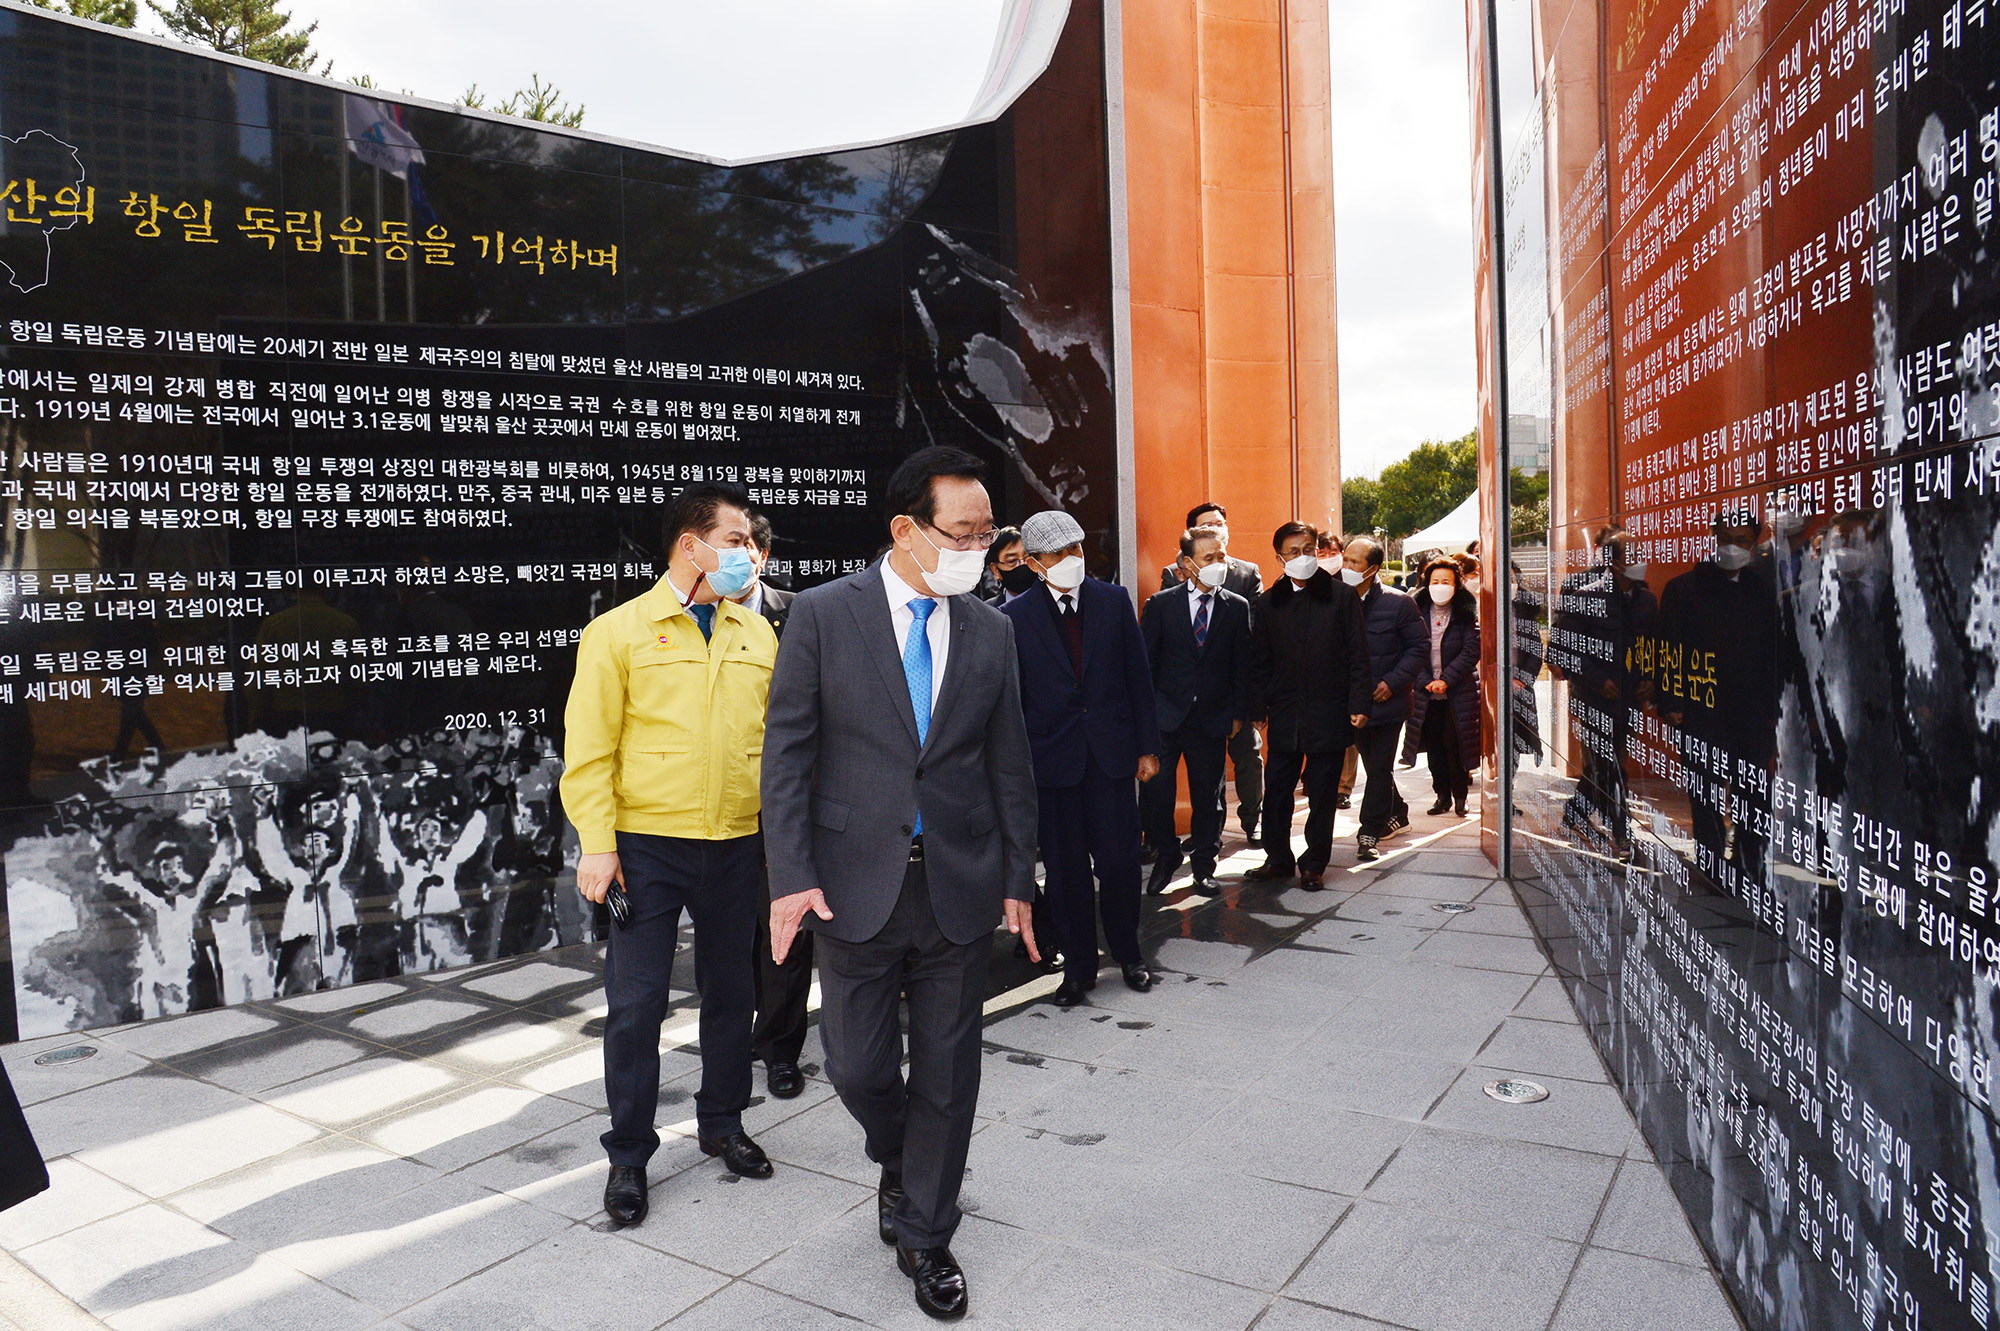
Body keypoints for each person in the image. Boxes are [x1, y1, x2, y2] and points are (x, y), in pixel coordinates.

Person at [762, 446, 1040, 1322]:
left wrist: (1019, 876)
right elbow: (789, 756)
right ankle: (904, 1154)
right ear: (905, 530)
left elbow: (1010, 764)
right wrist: (792, 877)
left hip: (956, 881)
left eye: (986, 533)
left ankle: (926, 1231)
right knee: (856, 1065)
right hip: (853, 887)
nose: (977, 547)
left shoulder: (992, 628)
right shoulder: (820, 614)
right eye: (960, 531)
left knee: (951, 1072)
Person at [561, 483, 781, 1231]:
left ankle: (723, 1119)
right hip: (649, 849)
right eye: (735, 538)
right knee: (637, 1004)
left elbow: (778, 745)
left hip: (735, 840)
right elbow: (588, 752)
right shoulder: (618, 632)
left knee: (732, 994)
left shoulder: (756, 634)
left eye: (750, 542)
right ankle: (628, 1152)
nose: (748, 553)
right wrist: (598, 845)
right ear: (691, 544)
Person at [1004, 509, 1161, 1007]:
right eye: (1058, 554)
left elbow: (1139, 678)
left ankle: (1129, 953)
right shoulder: (1013, 617)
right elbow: (1013, 699)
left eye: (1076, 549)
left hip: (1111, 757)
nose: (1072, 560)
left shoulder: (1113, 601)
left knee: (1118, 863)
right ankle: (1078, 968)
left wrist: (1147, 747)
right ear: (1033, 563)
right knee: (1067, 872)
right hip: (1052, 763)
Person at [1654, 509, 1779, 889]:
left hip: (1752, 712)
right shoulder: (1684, 588)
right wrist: (1671, 700)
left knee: (1754, 792)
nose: (1733, 547)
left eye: (1742, 541)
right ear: (1713, 538)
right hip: (1701, 708)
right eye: (1726, 539)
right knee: (1704, 791)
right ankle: (1711, 866)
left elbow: (1777, 653)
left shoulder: (1762, 589)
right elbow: (1667, 650)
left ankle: (1749, 864)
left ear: (1755, 542)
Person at [1245, 521, 1372, 888]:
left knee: (1322, 794)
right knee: (1279, 792)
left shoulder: (1341, 597)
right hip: (1285, 713)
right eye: (1293, 552)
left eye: (1308, 550)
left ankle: (1315, 863)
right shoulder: (1268, 602)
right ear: (1279, 557)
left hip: (1329, 712)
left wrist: (1359, 702)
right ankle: (1278, 858)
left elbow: (1358, 656)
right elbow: (1259, 661)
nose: (1302, 557)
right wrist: (1258, 708)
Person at [734, 514, 809, 1100]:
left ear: (762, 553)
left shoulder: (801, 613)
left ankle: (781, 1049)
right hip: (720, 804)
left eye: (745, 545)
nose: (737, 556)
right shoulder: (687, 616)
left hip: (789, 799)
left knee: (786, 929)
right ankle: (733, 1039)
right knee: (730, 933)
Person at [1140, 524, 1251, 897]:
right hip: (1166, 718)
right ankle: (1167, 855)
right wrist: (1146, 716)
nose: (1219, 564)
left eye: (1222, 556)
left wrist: (1238, 714)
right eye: (1210, 558)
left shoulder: (1236, 607)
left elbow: (1241, 665)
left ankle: (1205, 865)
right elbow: (1146, 666)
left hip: (1212, 719)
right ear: (1187, 564)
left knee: (1209, 797)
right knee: (1156, 794)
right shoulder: (1161, 605)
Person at [1156, 501, 1265, 845]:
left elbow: (1251, 635)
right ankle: (1201, 838)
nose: (1214, 529)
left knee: (1246, 755)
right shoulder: (1171, 579)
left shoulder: (1245, 575)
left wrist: (1243, 705)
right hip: (1180, 702)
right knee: (1197, 780)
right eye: (1206, 525)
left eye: (1219, 523)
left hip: (1227, 690)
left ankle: (1251, 819)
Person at [1551, 526, 1657, 858]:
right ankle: (1623, 834)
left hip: (1628, 700)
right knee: (1610, 767)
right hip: (1594, 698)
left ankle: (1574, 814)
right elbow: (1560, 649)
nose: (1641, 562)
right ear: (1614, 563)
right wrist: (1596, 678)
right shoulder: (1587, 597)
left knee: (1605, 765)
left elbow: (1654, 646)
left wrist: (1650, 678)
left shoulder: (1646, 600)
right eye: (1633, 556)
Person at [1341, 536, 1426, 862]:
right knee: (1373, 763)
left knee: (1378, 767)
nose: (1346, 567)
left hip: (1389, 703)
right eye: (1345, 560)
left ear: (1373, 569)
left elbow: (1418, 647)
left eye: (1354, 563)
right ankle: (1399, 811)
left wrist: (1392, 682)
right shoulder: (1338, 600)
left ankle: (1369, 831)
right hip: (1353, 704)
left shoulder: (1399, 602)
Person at [1410, 558, 1481, 818]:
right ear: (1426, 583)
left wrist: (1446, 679)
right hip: (1426, 692)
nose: (1440, 586)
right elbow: (1409, 648)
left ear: (1456, 584)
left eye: (1446, 582)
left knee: (1456, 744)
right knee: (1435, 747)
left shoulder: (1465, 612)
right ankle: (1441, 795)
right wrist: (1426, 680)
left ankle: (1460, 797)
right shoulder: (1415, 610)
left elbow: (1471, 650)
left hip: (1458, 691)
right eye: (1435, 581)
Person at [983, 526, 1034, 605]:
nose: (1022, 564)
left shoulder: (1055, 602)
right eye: (1012, 561)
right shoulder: (987, 612)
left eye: (1027, 557)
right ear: (996, 570)